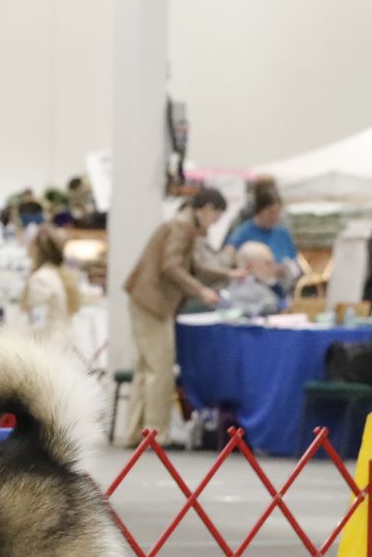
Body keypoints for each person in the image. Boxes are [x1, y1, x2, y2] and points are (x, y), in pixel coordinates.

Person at [119, 188, 227, 449]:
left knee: (145, 370)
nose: (214, 223)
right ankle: (156, 433)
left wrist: (229, 274)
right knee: (160, 369)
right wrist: (201, 290)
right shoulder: (181, 226)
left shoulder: (182, 224)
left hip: (143, 300)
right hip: (154, 303)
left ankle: (135, 432)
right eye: (217, 216)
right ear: (208, 209)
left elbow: (193, 267)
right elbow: (171, 266)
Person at [225, 184, 300, 292]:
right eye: (271, 212)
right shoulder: (242, 233)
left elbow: (293, 260)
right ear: (260, 210)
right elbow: (227, 257)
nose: (275, 216)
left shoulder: (282, 233)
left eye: (277, 212)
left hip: (282, 288)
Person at [19, 225, 79, 348]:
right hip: (65, 342)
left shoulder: (40, 279)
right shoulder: (61, 275)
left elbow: (37, 322)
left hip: (48, 347)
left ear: (36, 249)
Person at [222, 241, 284, 317]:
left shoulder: (268, 284)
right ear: (250, 266)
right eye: (268, 263)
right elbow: (240, 312)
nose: (273, 268)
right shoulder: (242, 287)